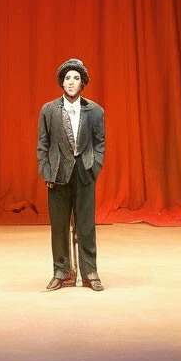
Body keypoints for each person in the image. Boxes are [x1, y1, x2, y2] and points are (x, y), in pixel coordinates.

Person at [37, 58, 106, 291]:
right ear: (61, 82)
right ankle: (61, 271)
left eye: (76, 78)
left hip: (84, 173)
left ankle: (90, 272)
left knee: (86, 225)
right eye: (67, 78)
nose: (71, 82)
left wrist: (95, 166)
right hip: (57, 175)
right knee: (59, 226)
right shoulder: (48, 110)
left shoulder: (95, 111)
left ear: (82, 82)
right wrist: (47, 172)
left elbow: (100, 143)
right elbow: (42, 144)